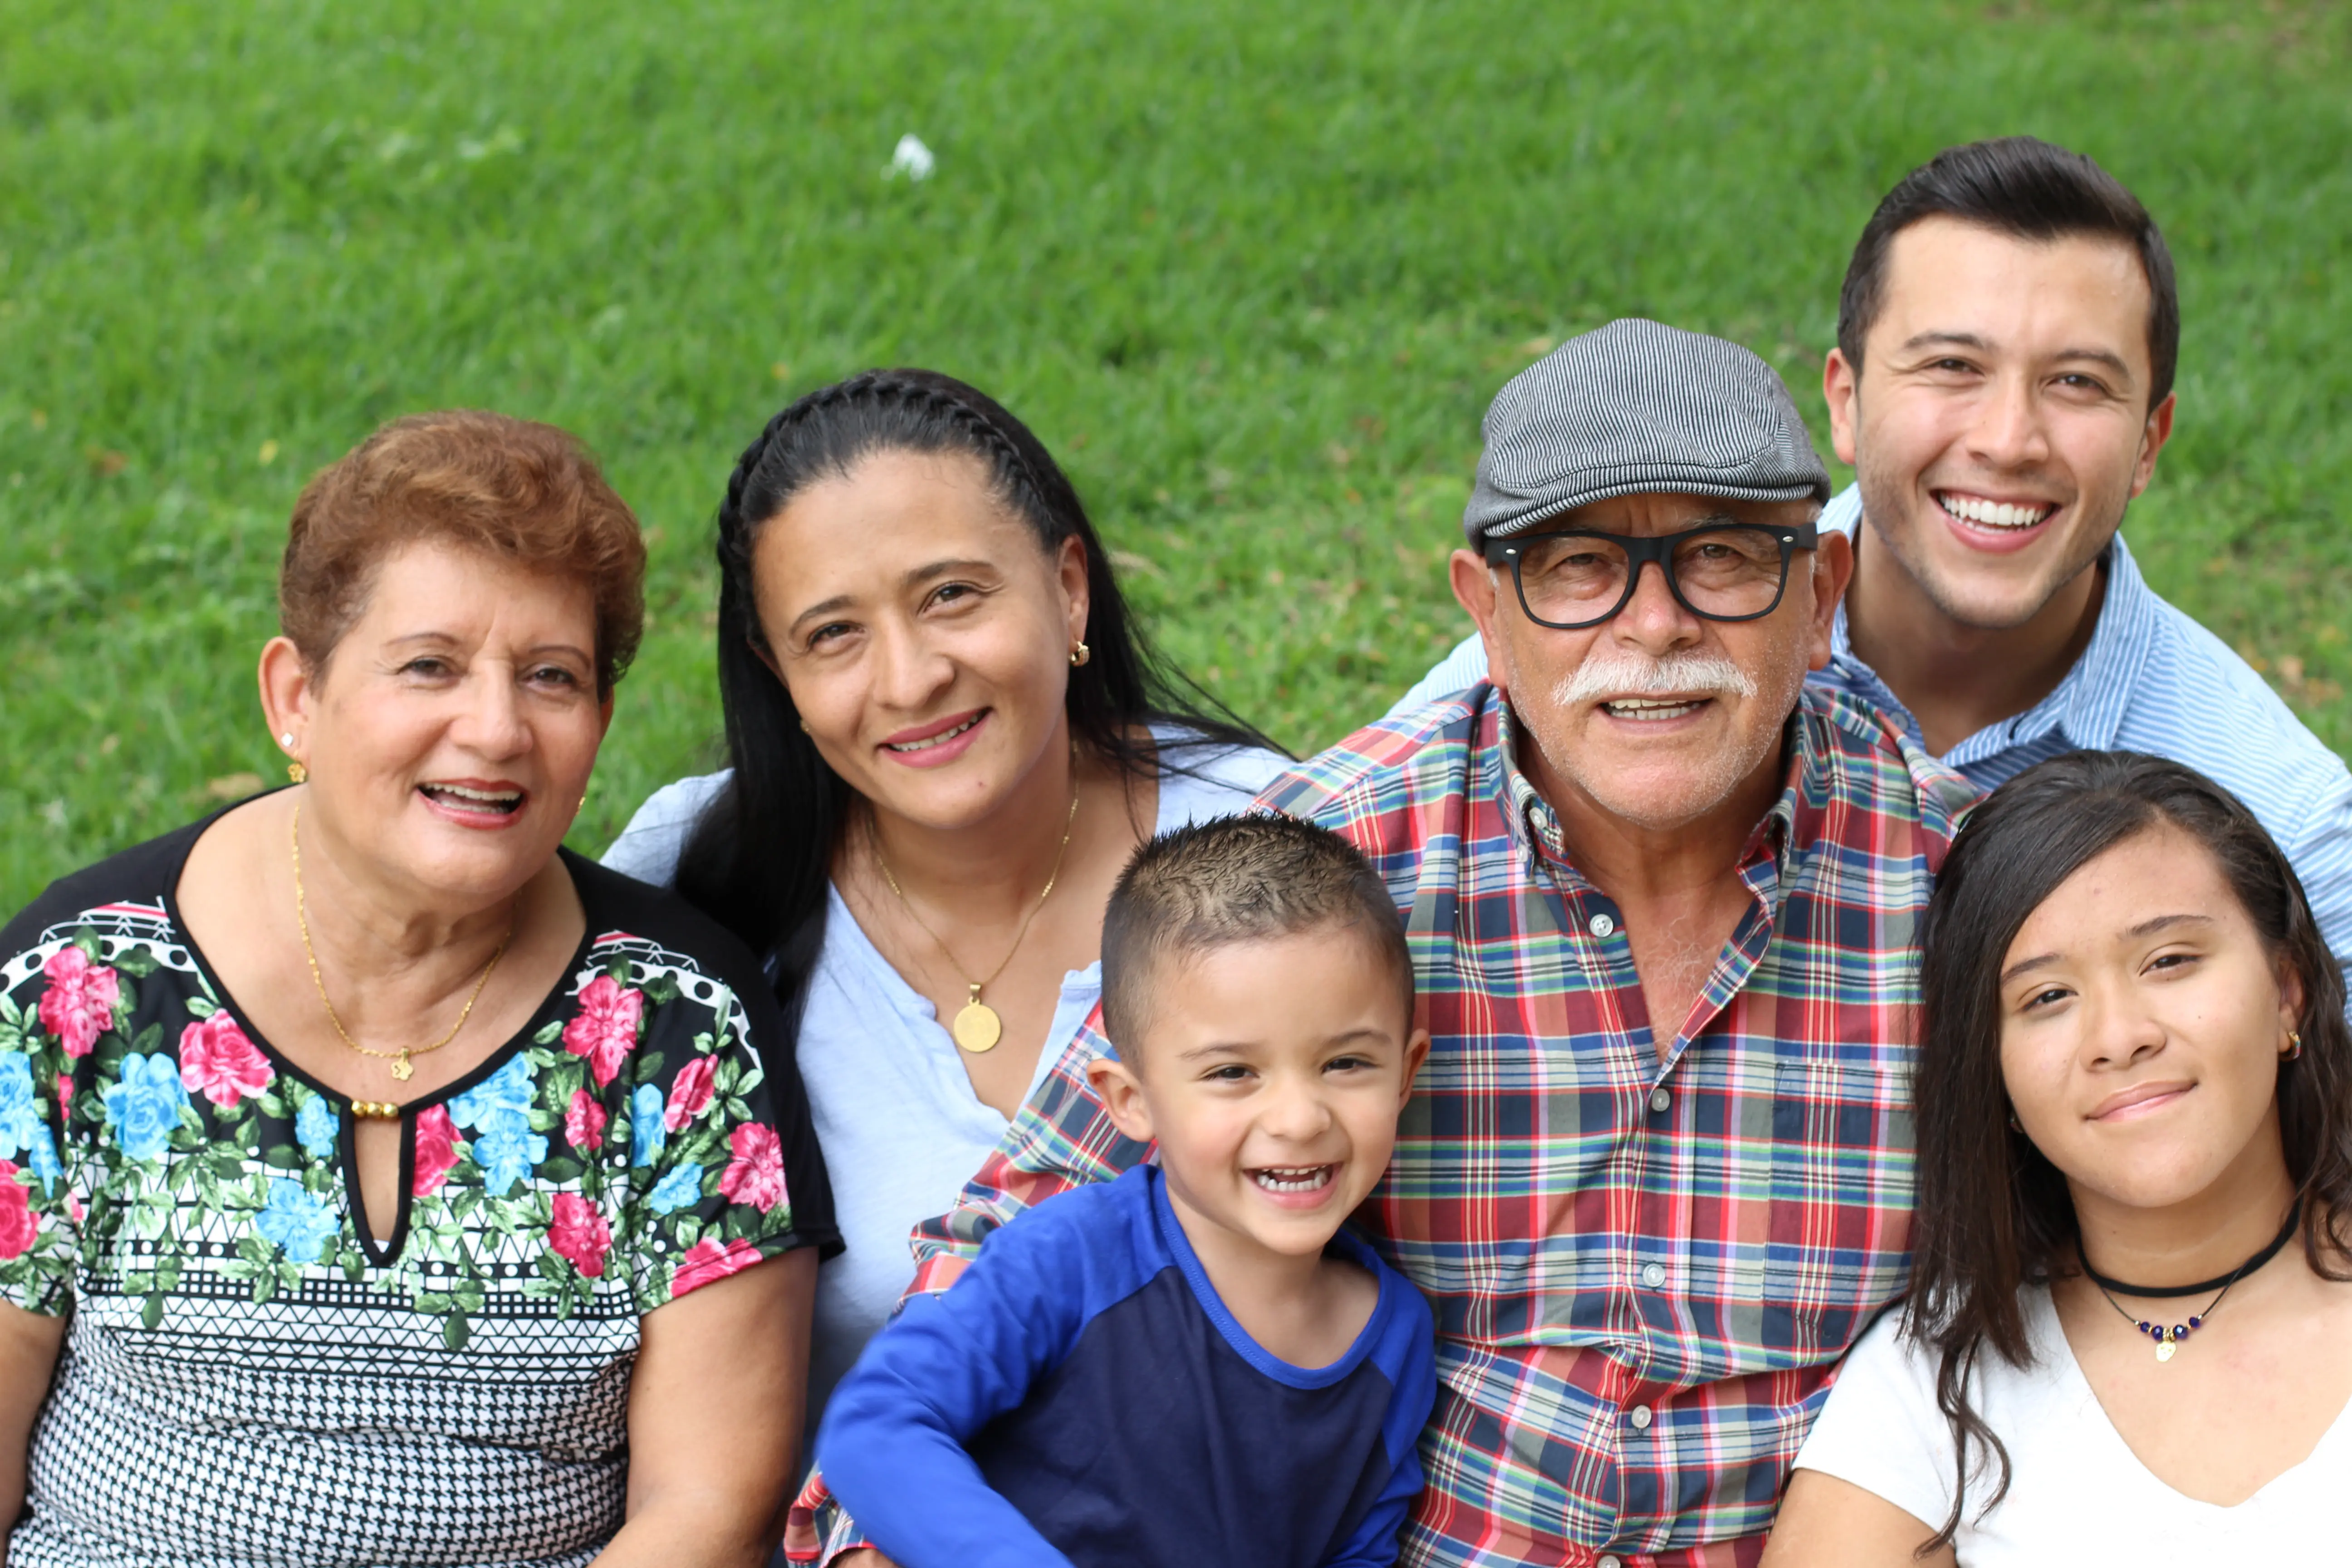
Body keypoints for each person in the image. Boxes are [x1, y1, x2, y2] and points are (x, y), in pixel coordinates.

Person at [795, 320, 1980, 1566]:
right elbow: (1022, 1226)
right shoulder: (1340, 857)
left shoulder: (1963, 892)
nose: (1655, 626)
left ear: (1823, 594)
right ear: (1485, 608)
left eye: (1726, 558)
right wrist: (872, 1546)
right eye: (1579, 567)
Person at [0, 412, 836, 1568]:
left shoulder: (675, 1028)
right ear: (296, 695)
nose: (494, 729)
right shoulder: (78, 986)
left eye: (552, 677)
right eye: (429, 666)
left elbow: (709, 1514)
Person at [1397, 137, 2352, 975]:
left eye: (2076, 382)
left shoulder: (2284, 823)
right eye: (1952, 367)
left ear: (2150, 441)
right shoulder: (1631, 629)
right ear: (1846, 402)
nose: (2010, 438)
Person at [599, 369, 1289, 1428]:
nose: (911, 676)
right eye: (834, 634)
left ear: (1068, 587)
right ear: (775, 670)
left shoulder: (1280, 846)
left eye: (952, 596)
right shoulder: (695, 879)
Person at [1766, 752, 2352, 1563]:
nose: (2120, 1037)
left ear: (2287, 990)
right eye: (2047, 998)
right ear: (1994, 1074)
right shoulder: (1928, 1390)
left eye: (2170, 960)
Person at [812, 815, 1437, 1568]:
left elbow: (1356, 1548)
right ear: (1130, 1100)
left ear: (1406, 1072)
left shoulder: (1395, 1340)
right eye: (1233, 1073)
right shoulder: (1071, 1258)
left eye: (1345, 1064)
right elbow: (878, 1425)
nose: (1300, 1120)